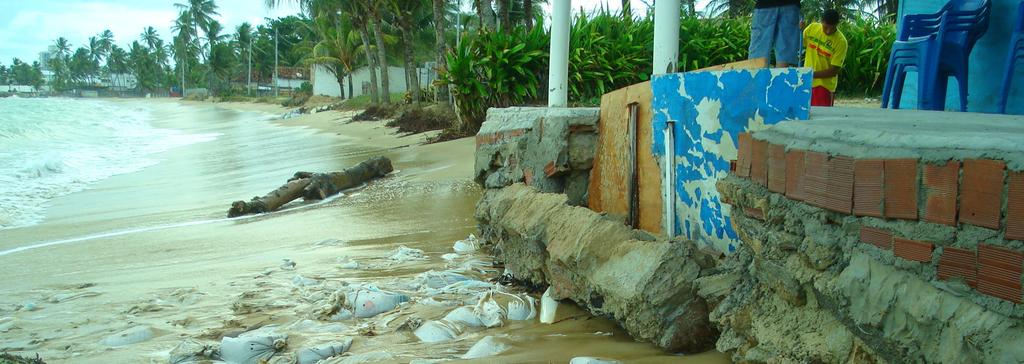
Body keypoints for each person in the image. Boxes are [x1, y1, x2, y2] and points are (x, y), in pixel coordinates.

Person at [803, 9, 848, 107]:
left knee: (821, 119)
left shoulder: (841, 42)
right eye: (825, 27)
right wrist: (799, 29)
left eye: (832, 28)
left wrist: (811, 74)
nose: (828, 31)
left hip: (823, 87)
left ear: (837, 24)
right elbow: (800, 44)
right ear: (821, 21)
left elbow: (834, 70)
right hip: (805, 83)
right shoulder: (811, 29)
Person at [749, 0, 802, 67]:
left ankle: (758, 77)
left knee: (758, 56)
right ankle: (782, 77)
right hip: (791, 5)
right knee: (784, 58)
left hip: (764, 5)